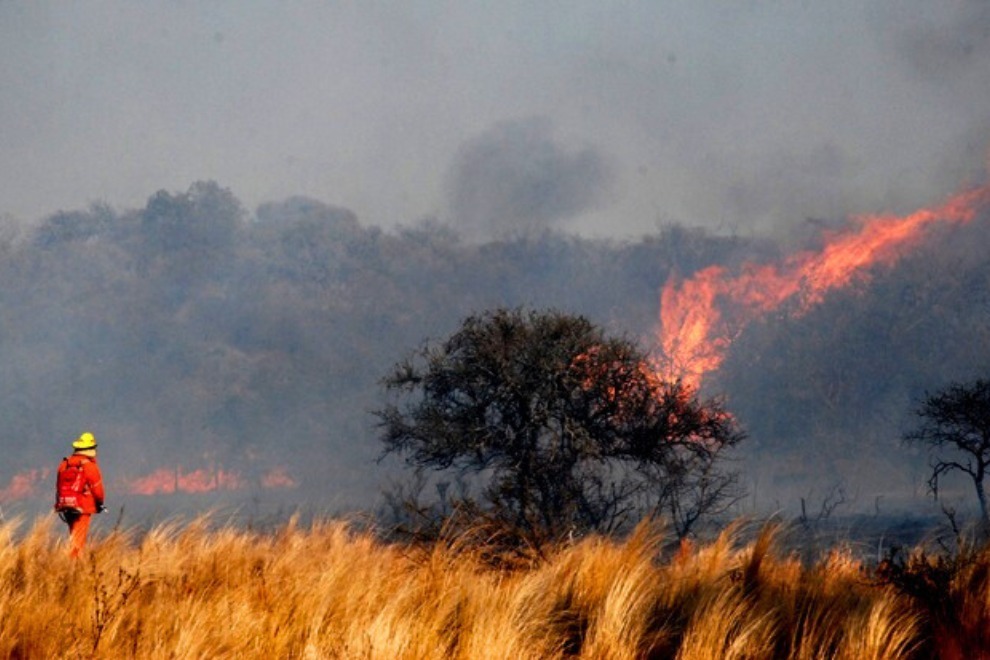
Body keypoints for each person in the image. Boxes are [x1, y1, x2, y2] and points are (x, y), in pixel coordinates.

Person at [54, 432, 106, 558]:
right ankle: (74, 567)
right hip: (83, 507)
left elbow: (58, 486)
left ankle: (72, 562)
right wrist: (99, 504)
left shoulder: (64, 464)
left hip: (66, 504)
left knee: (73, 534)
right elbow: (97, 490)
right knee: (79, 539)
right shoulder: (89, 466)